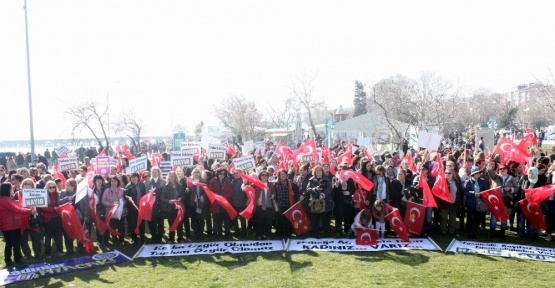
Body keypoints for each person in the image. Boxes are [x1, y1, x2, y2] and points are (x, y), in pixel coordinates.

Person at [0, 182, 36, 267]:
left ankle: (17, 259)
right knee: (10, 244)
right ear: (8, 190)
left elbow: (17, 206)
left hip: (14, 224)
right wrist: (30, 211)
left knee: (16, 243)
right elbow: (16, 209)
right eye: (11, 188)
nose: (13, 190)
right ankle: (8, 260)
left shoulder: (8, 198)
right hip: (8, 226)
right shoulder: (4, 199)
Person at [487, 161, 518, 239]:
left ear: (507, 169)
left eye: (504, 168)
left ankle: (502, 233)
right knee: (494, 216)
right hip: (496, 200)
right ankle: (492, 232)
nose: (502, 170)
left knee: (504, 217)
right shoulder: (496, 177)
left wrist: (510, 189)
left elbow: (517, 188)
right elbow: (490, 172)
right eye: (500, 169)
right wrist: (489, 165)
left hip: (506, 201)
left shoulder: (511, 178)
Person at [38, 180, 65, 258]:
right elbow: (42, 206)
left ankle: (60, 251)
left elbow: (61, 203)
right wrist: (53, 208)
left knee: (59, 236)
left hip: (57, 218)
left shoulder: (58, 194)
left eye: (53, 187)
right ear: (46, 187)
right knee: (47, 238)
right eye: (50, 187)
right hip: (47, 220)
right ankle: (48, 253)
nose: (52, 188)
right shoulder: (43, 195)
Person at [304, 165, 333, 238]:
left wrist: (324, 194)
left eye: (320, 170)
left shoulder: (326, 179)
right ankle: (315, 234)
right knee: (315, 219)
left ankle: (326, 234)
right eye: (317, 171)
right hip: (314, 202)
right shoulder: (311, 180)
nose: (318, 172)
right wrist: (314, 189)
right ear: (315, 172)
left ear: (322, 172)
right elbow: (308, 189)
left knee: (325, 219)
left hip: (325, 202)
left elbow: (330, 188)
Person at [158, 171, 184, 244]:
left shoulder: (180, 185)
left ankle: (180, 238)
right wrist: (169, 201)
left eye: (172, 176)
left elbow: (183, 196)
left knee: (179, 224)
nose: (171, 177)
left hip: (179, 208)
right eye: (170, 176)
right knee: (171, 223)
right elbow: (162, 198)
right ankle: (171, 239)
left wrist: (180, 199)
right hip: (170, 208)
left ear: (175, 177)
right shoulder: (166, 186)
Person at [463, 167, 488, 238]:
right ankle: (470, 232)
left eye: (479, 173)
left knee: (478, 219)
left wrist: (481, 194)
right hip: (471, 204)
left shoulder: (482, 181)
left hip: (480, 203)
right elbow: (465, 192)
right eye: (477, 173)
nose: (479, 174)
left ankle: (475, 232)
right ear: (473, 175)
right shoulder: (467, 182)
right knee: (471, 219)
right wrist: (473, 193)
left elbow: (486, 191)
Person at [274, 168, 299, 237]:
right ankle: (279, 232)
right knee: (280, 219)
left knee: (288, 220)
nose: (283, 175)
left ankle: (288, 233)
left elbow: (296, 191)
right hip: (280, 204)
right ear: (279, 175)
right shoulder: (276, 183)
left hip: (289, 204)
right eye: (281, 174)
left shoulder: (290, 182)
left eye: (284, 174)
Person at [209, 168, 233, 239]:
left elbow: (230, 192)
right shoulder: (212, 181)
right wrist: (217, 198)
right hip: (216, 203)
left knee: (226, 219)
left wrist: (223, 198)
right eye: (220, 174)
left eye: (223, 174)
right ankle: (216, 233)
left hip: (225, 203)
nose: (222, 175)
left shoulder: (228, 181)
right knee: (216, 219)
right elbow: (210, 191)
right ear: (217, 174)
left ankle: (227, 233)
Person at [438, 167, 463, 236]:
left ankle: (451, 231)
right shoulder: (442, 182)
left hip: (454, 203)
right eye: (446, 173)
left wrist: (460, 202)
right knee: (444, 217)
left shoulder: (457, 182)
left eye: (449, 173)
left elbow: (460, 193)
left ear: (453, 174)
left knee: (453, 217)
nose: (447, 174)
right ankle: (443, 231)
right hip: (444, 203)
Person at [102, 175, 125, 246]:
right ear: (110, 182)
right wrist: (110, 204)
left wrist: (121, 203)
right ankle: (115, 241)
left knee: (121, 227)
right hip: (111, 213)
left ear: (118, 182)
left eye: (115, 181)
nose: (113, 182)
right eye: (112, 181)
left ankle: (121, 240)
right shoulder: (107, 191)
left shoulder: (122, 190)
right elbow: (103, 200)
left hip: (121, 212)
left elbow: (125, 200)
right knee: (113, 227)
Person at [333, 163, 356, 237]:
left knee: (346, 217)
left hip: (347, 200)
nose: (341, 171)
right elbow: (333, 190)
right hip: (338, 200)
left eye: (342, 170)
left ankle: (346, 231)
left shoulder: (350, 179)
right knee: (338, 216)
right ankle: (338, 231)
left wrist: (348, 192)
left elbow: (353, 189)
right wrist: (335, 185)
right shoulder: (335, 178)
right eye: (339, 170)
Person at [124, 172, 147, 245]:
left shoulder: (142, 185)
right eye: (132, 177)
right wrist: (128, 197)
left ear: (138, 178)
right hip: (132, 209)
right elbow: (125, 195)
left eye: (135, 177)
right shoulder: (128, 186)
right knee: (132, 224)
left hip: (141, 208)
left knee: (141, 224)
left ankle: (142, 238)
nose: (133, 178)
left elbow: (145, 195)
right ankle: (135, 239)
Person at [58, 179, 79, 255]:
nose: (66, 186)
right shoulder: (62, 192)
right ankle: (69, 249)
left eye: (68, 185)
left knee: (77, 231)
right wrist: (67, 199)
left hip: (75, 216)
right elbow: (59, 202)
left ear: (73, 186)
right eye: (66, 184)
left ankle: (79, 247)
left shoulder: (77, 192)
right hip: (66, 217)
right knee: (67, 233)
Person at [254, 171, 276, 240]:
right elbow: (249, 188)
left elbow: (274, 192)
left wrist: (273, 195)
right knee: (260, 221)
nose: (264, 176)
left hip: (268, 205)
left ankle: (268, 235)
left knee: (268, 221)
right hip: (259, 205)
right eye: (263, 175)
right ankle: (260, 235)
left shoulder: (271, 184)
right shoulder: (256, 184)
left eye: (266, 175)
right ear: (260, 176)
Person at [230, 169, 248, 237]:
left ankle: (243, 232)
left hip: (241, 203)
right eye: (234, 173)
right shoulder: (232, 181)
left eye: (237, 173)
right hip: (233, 203)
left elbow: (243, 187)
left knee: (242, 219)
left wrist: (244, 185)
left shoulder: (243, 181)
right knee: (234, 219)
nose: (236, 174)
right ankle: (236, 231)